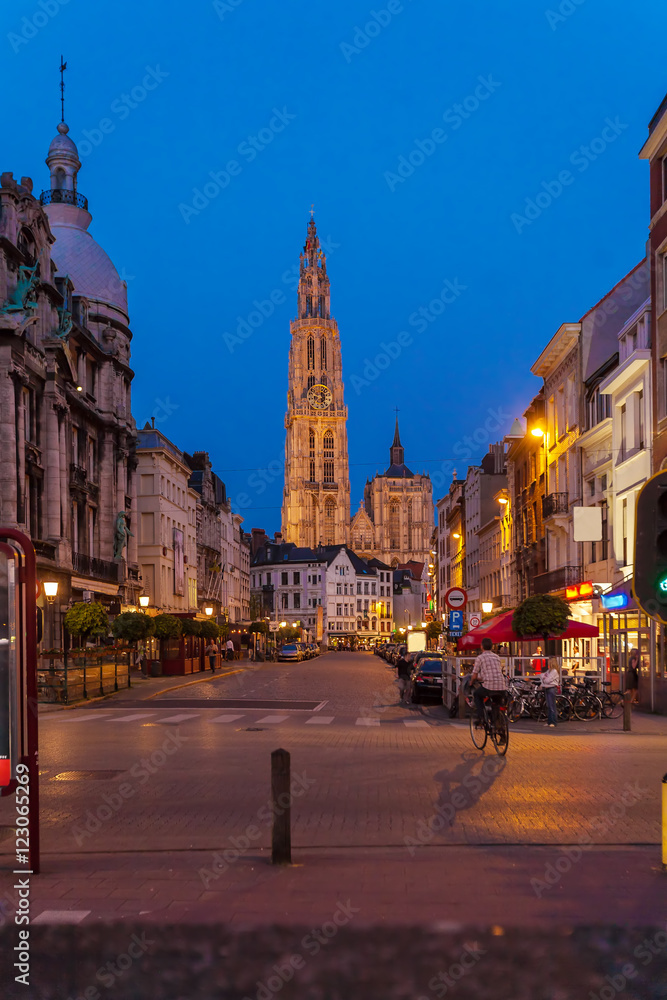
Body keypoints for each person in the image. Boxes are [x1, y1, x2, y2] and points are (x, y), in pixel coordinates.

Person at [470, 637, 508, 725]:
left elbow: (474, 674)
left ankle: (481, 718)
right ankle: (499, 728)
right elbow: (494, 671)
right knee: (496, 703)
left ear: (481, 647)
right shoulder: (497, 657)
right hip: (502, 686)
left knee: (477, 695)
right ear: (491, 647)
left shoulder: (480, 658)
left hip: (489, 686)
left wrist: (471, 682)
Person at [541, 657, 560, 728]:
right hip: (547, 688)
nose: (547, 662)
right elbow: (542, 675)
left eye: (549, 661)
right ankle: (549, 721)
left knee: (552, 706)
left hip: (551, 688)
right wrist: (544, 677)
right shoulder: (549, 671)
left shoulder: (554, 671)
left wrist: (544, 678)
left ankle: (553, 722)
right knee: (548, 706)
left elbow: (547, 680)